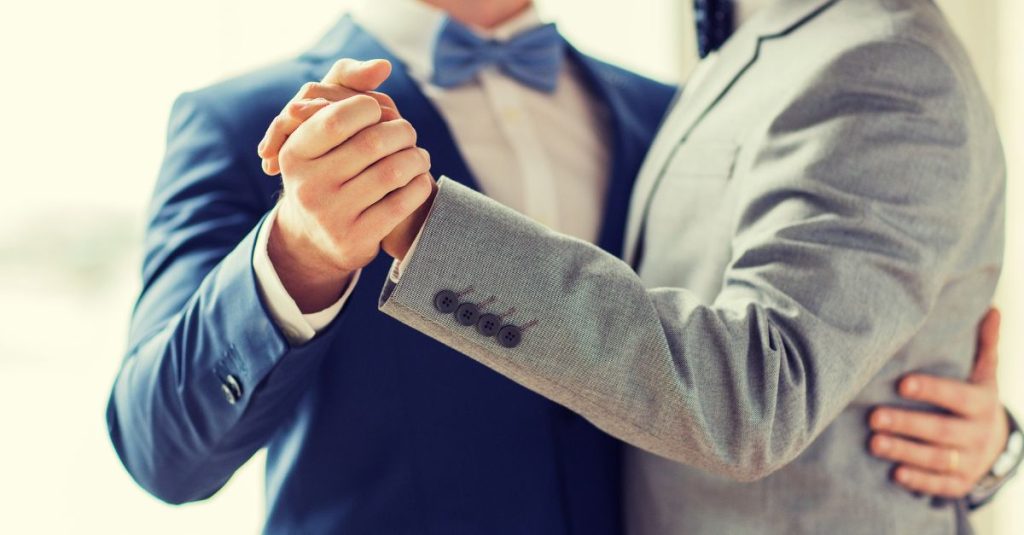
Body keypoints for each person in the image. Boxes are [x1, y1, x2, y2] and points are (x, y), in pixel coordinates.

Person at [106, 0, 1017, 534]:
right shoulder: (243, 123)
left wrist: (981, 441)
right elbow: (160, 453)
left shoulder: (667, 111)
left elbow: (745, 363)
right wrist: (297, 254)